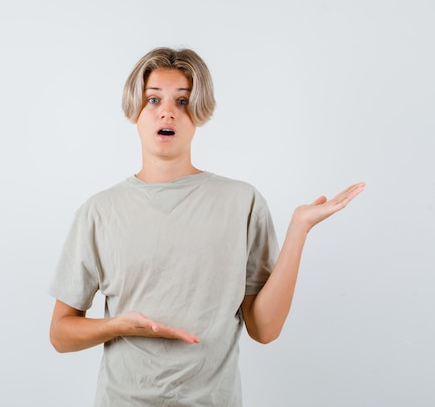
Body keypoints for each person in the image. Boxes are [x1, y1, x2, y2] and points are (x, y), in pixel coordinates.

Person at [48, 47, 365, 406]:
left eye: (182, 102)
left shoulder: (241, 202)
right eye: (153, 100)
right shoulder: (98, 211)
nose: (167, 111)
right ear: (134, 110)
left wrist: (298, 230)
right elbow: (61, 333)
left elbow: (264, 329)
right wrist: (119, 325)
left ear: (199, 113)